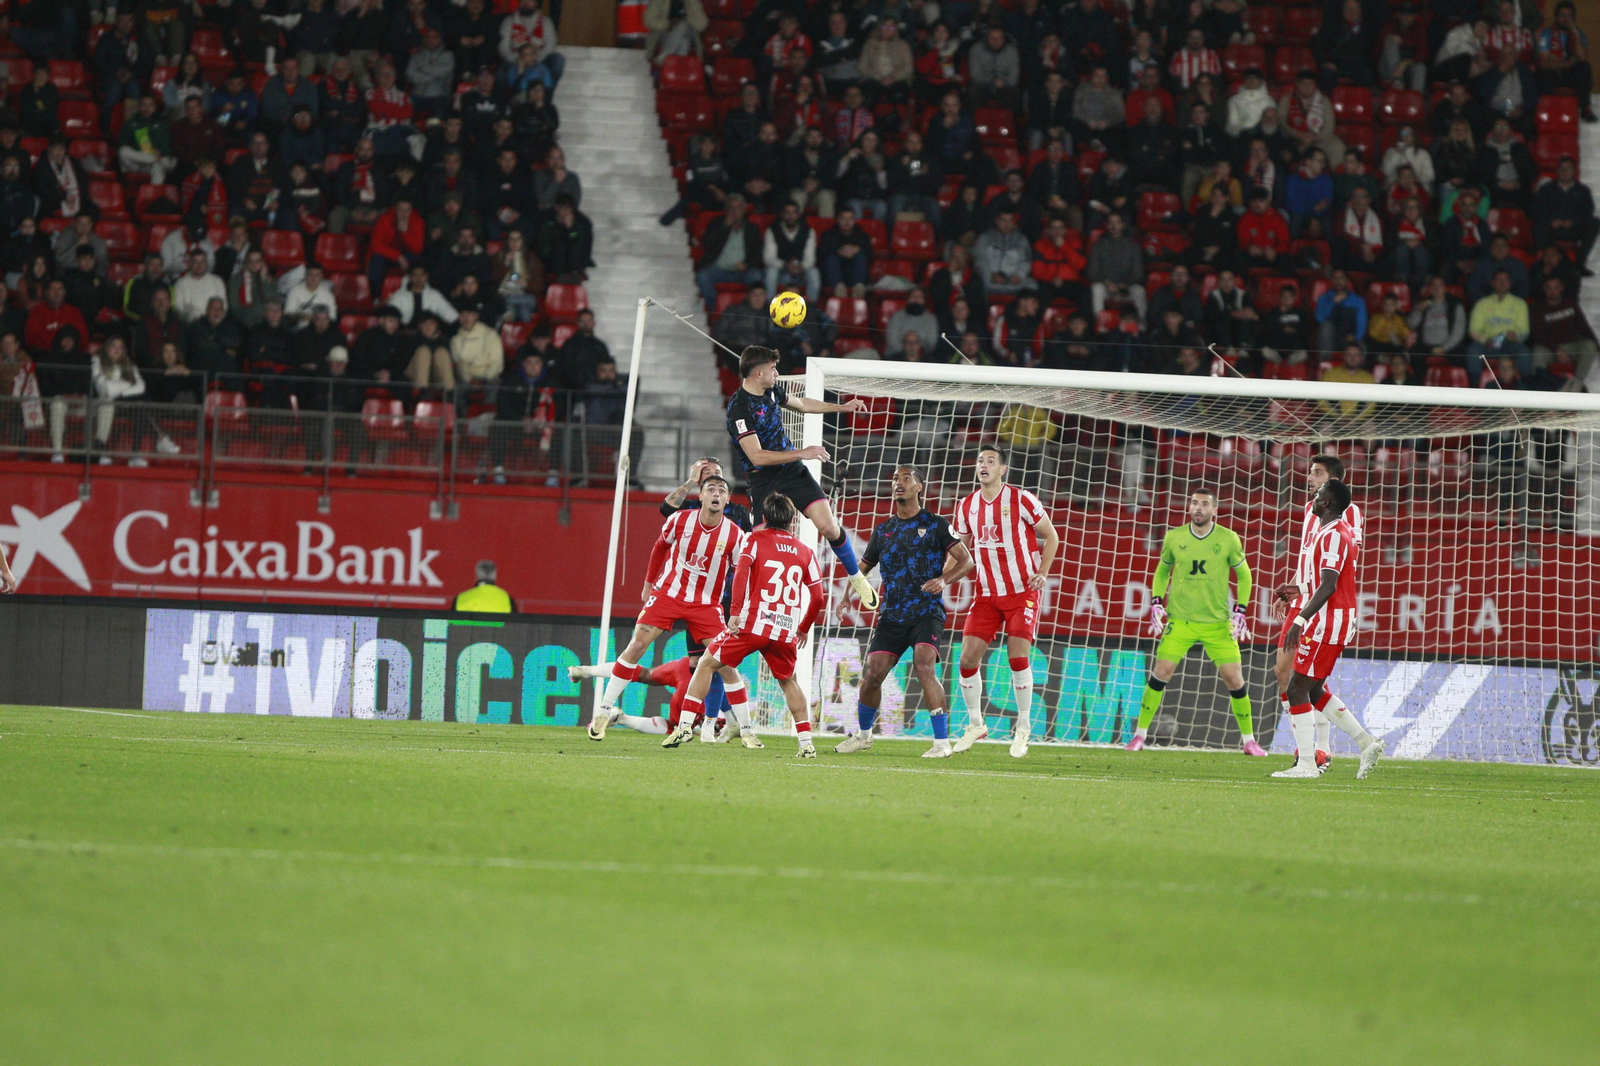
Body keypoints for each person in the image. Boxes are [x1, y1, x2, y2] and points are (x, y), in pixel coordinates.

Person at [589, 475, 751, 743]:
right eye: (710, 489)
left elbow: (742, 572)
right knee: (637, 645)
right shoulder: (679, 520)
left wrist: (738, 608)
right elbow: (659, 547)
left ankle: (746, 730)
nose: (716, 494)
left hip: (706, 604)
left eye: (721, 490)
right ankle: (603, 713)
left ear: (727, 499)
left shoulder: (735, 534)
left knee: (725, 663)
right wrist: (648, 584)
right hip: (669, 595)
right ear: (700, 496)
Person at [663, 491, 823, 755]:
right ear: (792, 520)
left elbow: (740, 574)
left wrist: (735, 612)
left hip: (753, 623)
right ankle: (806, 744)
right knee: (789, 682)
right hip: (784, 629)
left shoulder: (754, 539)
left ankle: (684, 725)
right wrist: (803, 628)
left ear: (763, 517)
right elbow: (818, 597)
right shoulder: (806, 551)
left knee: (706, 663)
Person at [835, 466, 975, 758]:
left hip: (926, 612)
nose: (899, 483)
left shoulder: (936, 524)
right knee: (873, 674)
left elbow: (966, 560)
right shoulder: (884, 530)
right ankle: (863, 736)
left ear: (919, 487)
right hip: (892, 614)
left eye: (906, 479)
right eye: (895, 479)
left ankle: (941, 743)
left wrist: (943, 580)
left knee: (924, 665)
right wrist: (846, 594)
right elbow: (863, 568)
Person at [725, 344, 875, 608]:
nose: (778, 373)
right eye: (773, 369)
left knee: (828, 526)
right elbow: (757, 456)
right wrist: (802, 452)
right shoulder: (739, 409)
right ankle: (755, 609)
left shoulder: (771, 391)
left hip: (791, 473)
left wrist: (842, 407)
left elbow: (803, 404)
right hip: (763, 480)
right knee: (762, 549)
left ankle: (855, 576)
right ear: (758, 373)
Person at [1127, 488, 1263, 756]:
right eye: (1194, 503)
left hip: (1217, 623)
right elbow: (1162, 570)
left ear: (1214, 510)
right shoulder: (1175, 537)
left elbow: (1245, 575)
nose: (1198, 508)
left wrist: (1241, 610)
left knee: (1234, 679)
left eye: (1204, 504)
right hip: (1182, 620)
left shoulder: (1228, 539)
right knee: (1160, 672)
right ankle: (1139, 736)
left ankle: (1249, 741)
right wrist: (1156, 601)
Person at [948, 444, 1060, 759]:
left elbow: (1051, 536)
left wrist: (1042, 573)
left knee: (1017, 657)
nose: (984, 465)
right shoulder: (966, 505)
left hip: (1022, 591)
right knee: (967, 658)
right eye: (981, 460)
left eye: (991, 461)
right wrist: (941, 579)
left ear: (1002, 469)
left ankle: (1023, 727)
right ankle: (975, 724)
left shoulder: (1022, 499)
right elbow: (960, 551)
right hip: (986, 594)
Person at [1271, 479, 1384, 780]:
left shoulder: (1335, 534)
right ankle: (1366, 743)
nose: (1314, 495)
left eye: (1319, 494)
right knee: (1314, 689)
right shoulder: (1327, 532)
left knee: (1297, 688)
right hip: (1327, 618)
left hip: (1328, 621)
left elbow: (1330, 584)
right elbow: (1321, 581)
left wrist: (1299, 619)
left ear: (1328, 503)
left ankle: (1307, 764)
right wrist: (1297, 590)